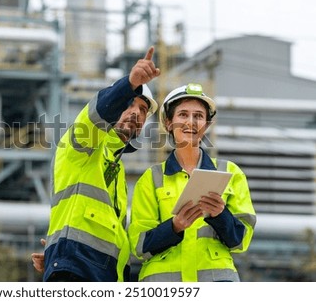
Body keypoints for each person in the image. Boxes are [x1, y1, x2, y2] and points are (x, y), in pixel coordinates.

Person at [37, 46, 160, 282]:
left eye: (143, 109)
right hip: (77, 272)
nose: (135, 113)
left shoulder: (118, 169)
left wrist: (56, 250)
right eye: (129, 104)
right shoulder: (82, 147)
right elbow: (95, 116)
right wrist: (130, 83)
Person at [128, 83, 257, 282]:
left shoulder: (230, 172)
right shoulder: (151, 179)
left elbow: (241, 241)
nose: (191, 122)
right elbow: (139, 245)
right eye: (183, 115)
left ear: (206, 124)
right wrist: (175, 227)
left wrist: (220, 215)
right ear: (168, 123)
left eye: (198, 116)